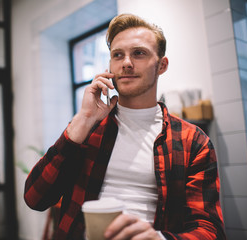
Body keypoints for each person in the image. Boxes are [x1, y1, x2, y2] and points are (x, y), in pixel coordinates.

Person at [24, 13, 226, 240]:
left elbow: (210, 231)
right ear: (110, 65)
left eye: (139, 53)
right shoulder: (88, 129)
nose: (127, 63)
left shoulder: (193, 142)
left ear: (162, 65)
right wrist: (83, 120)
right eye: (117, 55)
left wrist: (159, 239)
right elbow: (35, 198)